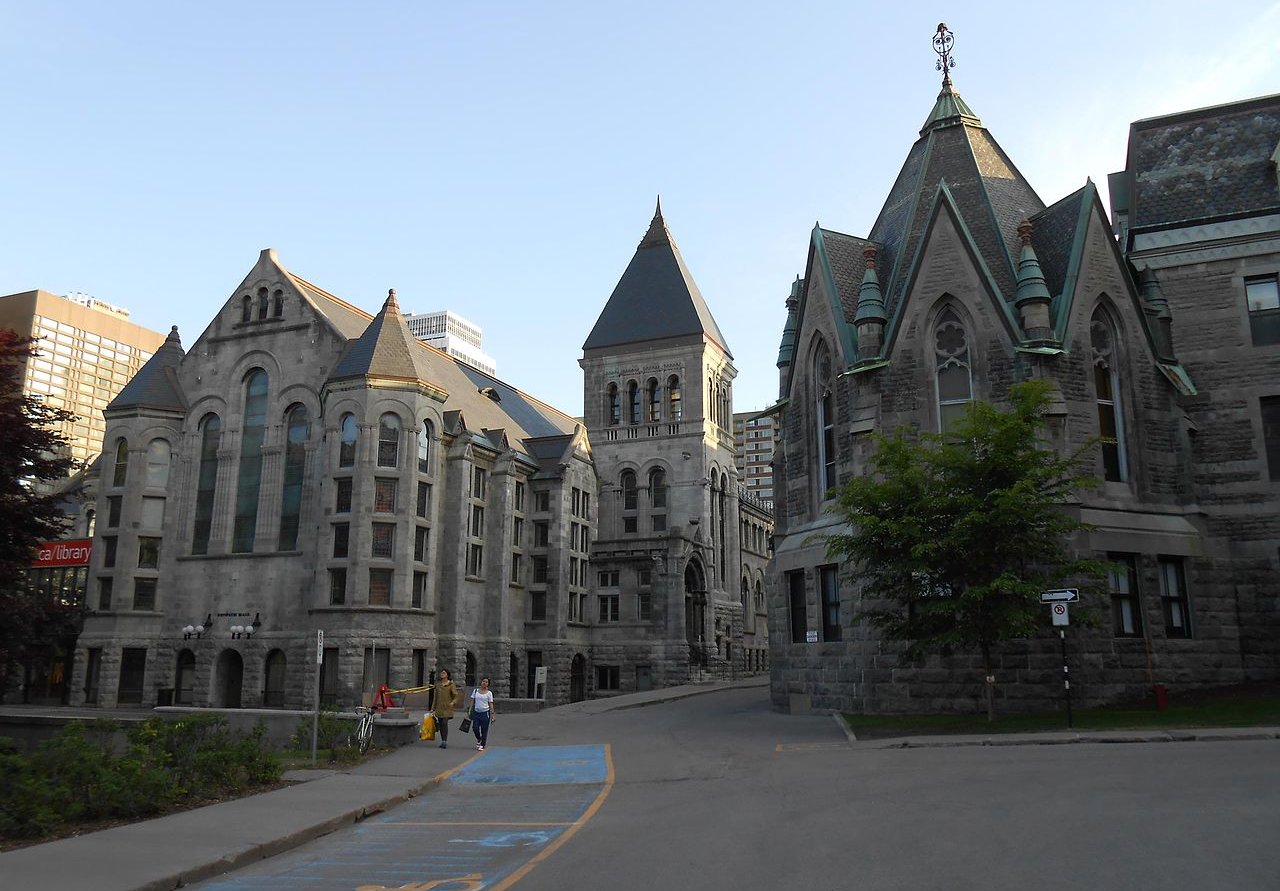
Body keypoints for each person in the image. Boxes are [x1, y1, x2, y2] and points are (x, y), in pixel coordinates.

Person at [429, 668, 462, 749]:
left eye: (444, 673)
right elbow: (435, 697)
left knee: (444, 722)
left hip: (447, 707)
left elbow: (456, 695)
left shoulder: (451, 684)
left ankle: (444, 741)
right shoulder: (438, 685)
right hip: (439, 707)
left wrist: (453, 702)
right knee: (440, 723)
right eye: (441, 673)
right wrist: (432, 708)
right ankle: (443, 740)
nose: (442, 674)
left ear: (447, 675)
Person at [470, 676, 495, 751]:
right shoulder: (475, 691)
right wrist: (470, 709)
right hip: (476, 712)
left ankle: (482, 744)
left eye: (486, 682)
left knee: (484, 730)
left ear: (488, 684)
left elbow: (490, 704)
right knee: (475, 728)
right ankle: (479, 738)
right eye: (483, 681)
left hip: (485, 713)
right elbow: (472, 700)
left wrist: (493, 714)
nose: (484, 683)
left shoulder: (489, 693)